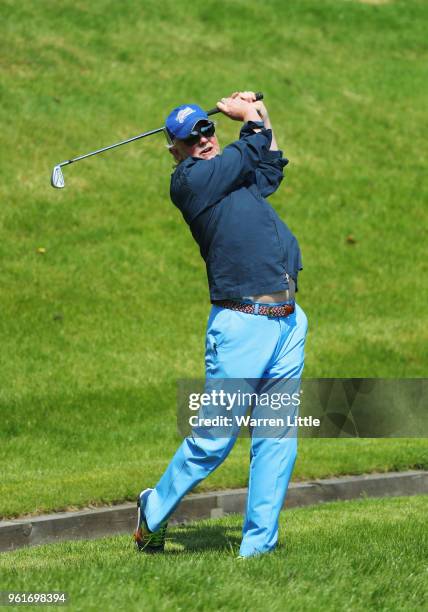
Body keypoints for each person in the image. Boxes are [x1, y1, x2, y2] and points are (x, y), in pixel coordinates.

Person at [134, 91, 308, 558]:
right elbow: (250, 146)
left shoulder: (232, 176)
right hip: (241, 326)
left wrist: (261, 114)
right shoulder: (191, 182)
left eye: (207, 130)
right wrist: (248, 117)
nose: (204, 140)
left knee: (277, 441)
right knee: (214, 440)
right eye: (191, 139)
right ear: (175, 150)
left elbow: (269, 164)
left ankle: (258, 549)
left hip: (288, 322)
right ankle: (152, 512)